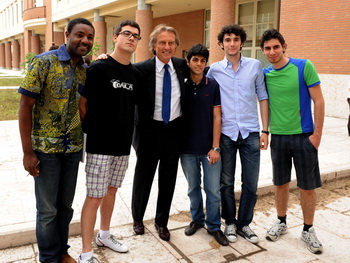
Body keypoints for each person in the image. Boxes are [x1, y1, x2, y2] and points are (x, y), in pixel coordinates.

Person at [18, 18, 95, 263]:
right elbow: (24, 107)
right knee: (47, 210)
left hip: (72, 149)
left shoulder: (85, 68)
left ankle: (62, 252)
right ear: (67, 35)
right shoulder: (44, 62)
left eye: (90, 37)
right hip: (45, 151)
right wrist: (28, 152)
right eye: (80, 35)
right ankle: (49, 258)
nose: (85, 40)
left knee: (65, 208)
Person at [78, 20, 142, 263]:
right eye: (126, 33)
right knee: (94, 196)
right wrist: (95, 129)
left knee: (112, 191)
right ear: (115, 37)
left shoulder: (135, 74)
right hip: (99, 145)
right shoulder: (98, 68)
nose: (131, 38)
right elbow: (82, 104)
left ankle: (104, 234)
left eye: (136, 36)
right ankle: (85, 253)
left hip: (122, 147)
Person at [260, 29, 325, 254]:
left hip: (303, 136)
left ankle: (308, 229)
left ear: (284, 46)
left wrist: (317, 135)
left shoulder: (303, 66)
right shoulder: (265, 74)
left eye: (276, 47)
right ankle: (281, 222)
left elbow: (318, 100)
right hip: (278, 137)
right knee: (280, 183)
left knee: (307, 187)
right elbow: (264, 103)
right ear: (263, 51)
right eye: (267, 48)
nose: (272, 51)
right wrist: (265, 131)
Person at [206, 24, 269, 244]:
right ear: (221, 44)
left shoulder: (255, 66)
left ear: (242, 42)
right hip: (226, 134)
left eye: (235, 39)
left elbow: (262, 97)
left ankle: (245, 224)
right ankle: (230, 222)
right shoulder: (213, 70)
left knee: (251, 183)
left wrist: (265, 130)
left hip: (251, 132)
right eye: (227, 40)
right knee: (226, 182)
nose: (231, 43)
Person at [132, 24, 187, 241]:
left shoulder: (183, 66)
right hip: (148, 132)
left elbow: (204, 71)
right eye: (162, 42)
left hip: (173, 131)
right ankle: (137, 218)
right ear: (154, 45)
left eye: (171, 43)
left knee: (168, 179)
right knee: (143, 178)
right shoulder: (140, 69)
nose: (167, 46)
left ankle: (161, 222)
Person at [180, 43, 228, 246]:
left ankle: (214, 226)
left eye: (202, 60)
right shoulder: (181, 84)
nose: (199, 64)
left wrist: (215, 147)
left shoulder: (212, 85)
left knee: (213, 190)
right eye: (195, 60)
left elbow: (218, 117)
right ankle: (197, 220)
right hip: (186, 149)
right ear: (188, 62)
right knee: (193, 189)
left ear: (205, 63)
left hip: (209, 149)